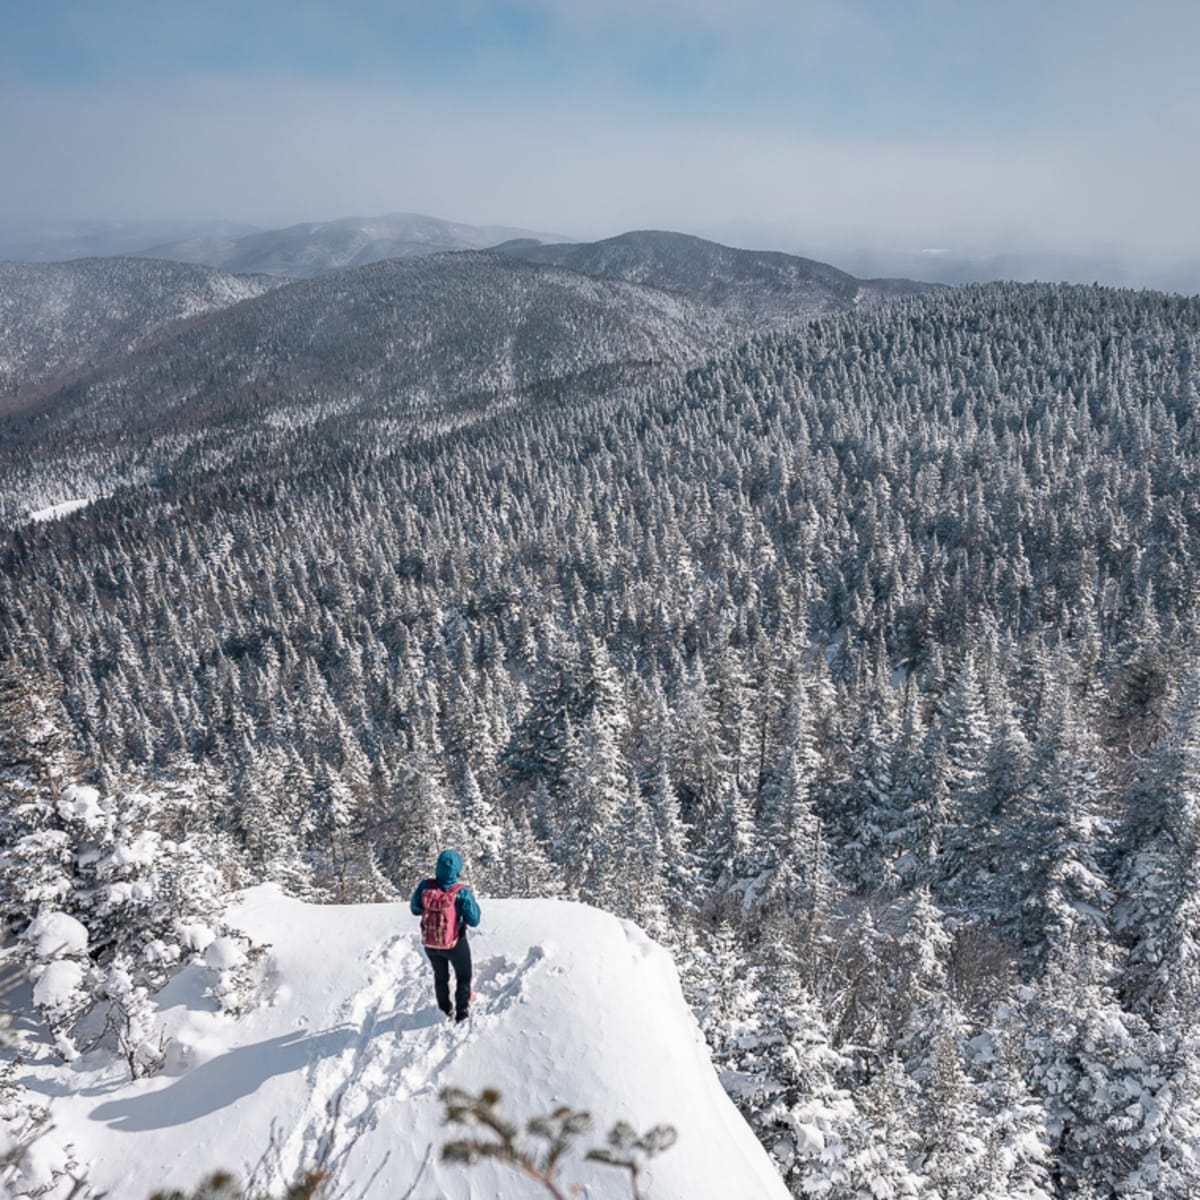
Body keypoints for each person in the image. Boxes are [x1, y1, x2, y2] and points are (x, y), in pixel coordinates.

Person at [411, 848, 481, 1022]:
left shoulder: (425, 886)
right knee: (463, 976)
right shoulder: (460, 891)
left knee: (440, 976)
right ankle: (462, 1012)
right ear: (457, 869)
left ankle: (445, 1009)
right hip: (455, 942)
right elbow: (474, 920)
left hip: (431, 942)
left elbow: (414, 909)